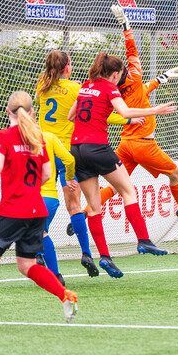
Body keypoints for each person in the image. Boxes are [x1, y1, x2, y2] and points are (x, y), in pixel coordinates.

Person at [0, 91, 77, 331]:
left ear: (7, 111)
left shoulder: (4, 136)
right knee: (27, 265)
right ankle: (64, 295)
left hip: (12, 210)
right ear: (32, 111)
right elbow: (46, 174)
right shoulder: (37, 139)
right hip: (37, 210)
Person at [83, 5, 178, 221]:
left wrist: (161, 79)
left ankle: (85, 213)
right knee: (175, 174)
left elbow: (140, 92)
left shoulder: (111, 88)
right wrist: (125, 24)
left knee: (119, 185)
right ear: (120, 71)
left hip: (126, 144)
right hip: (144, 144)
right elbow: (132, 49)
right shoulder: (135, 74)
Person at [35, 49, 144, 277]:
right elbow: (101, 113)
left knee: (42, 199)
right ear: (67, 67)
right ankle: (86, 253)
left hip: (42, 149)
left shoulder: (41, 85)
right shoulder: (77, 88)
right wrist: (130, 118)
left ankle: (38, 240)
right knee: (74, 206)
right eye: (70, 64)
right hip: (66, 152)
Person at [69, 51, 176, 278]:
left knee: (95, 207)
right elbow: (125, 111)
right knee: (128, 190)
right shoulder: (109, 87)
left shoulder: (86, 85)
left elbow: (71, 116)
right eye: (119, 75)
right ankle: (144, 240)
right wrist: (154, 110)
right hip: (97, 147)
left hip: (77, 150)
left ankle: (105, 256)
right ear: (115, 74)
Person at [0, 130, 78, 288]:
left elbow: (6, 161)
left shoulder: (13, 138)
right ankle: (56, 277)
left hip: (23, 198)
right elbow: (69, 159)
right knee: (42, 235)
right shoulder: (48, 137)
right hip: (48, 198)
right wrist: (70, 177)